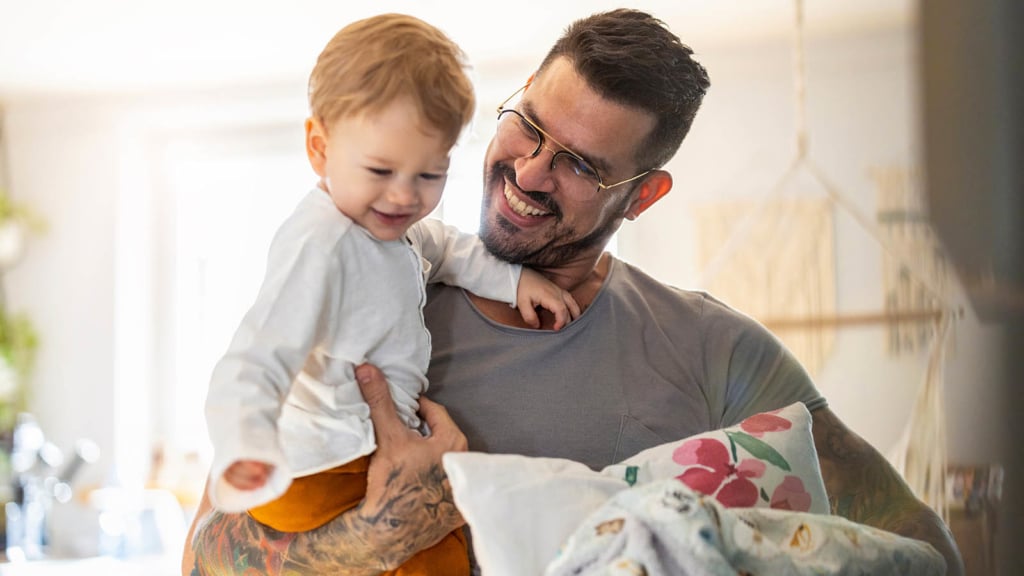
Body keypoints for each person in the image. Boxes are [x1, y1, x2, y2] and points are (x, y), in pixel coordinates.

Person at [184, 8, 964, 576]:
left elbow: (918, 540)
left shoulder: (716, 353)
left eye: (582, 166)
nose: (528, 173)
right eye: (528, 124)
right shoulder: (377, 281)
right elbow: (203, 559)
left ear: (644, 195)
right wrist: (380, 537)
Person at [199, 13, 579, 576]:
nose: (404, 195)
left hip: (361, 451)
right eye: (381, 169)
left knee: (443, 543)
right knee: (437, 557)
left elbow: (449, 249)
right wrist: (246, 445)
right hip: (320, 465)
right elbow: (259, 354)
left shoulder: (392, 228)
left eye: (431, 174)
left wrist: (517, 280)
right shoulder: (321, 242)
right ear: (319, 148)